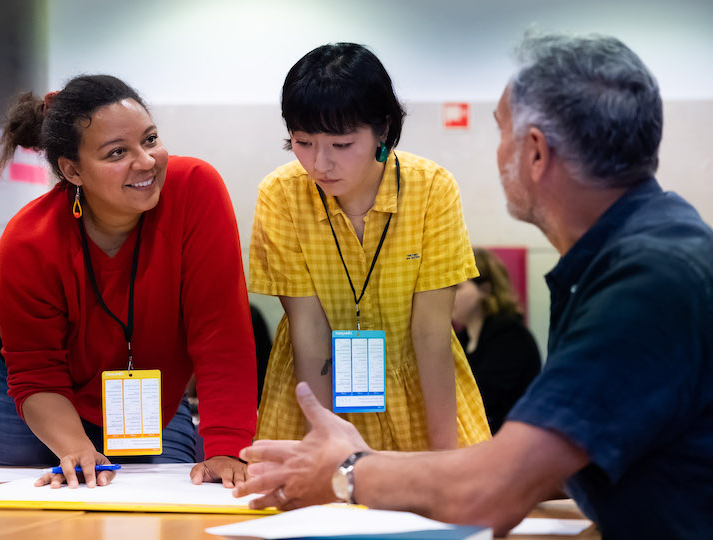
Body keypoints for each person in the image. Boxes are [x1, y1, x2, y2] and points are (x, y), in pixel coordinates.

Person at [234, 33, 713, 538]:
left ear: (534, 153)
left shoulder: (644, 282)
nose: (319, 161)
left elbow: (497, 486)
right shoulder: (648, 246)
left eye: (500, 130)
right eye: (304, 142)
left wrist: (346, 471)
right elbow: (567, 463)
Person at [0, 75, 257, 490]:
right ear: (72, 170)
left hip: (145, 384)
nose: (146, 161)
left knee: (166, 504)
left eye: (151, 139)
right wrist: (76, 447)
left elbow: (221, 333)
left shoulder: (196, 190)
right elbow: (37, 373)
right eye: (117, 152)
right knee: (39, 511)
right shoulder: (27, 243)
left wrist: (227, 446)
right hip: (34, 388)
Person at [248, 43, 490, 452]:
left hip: (421, 392)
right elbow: (309, 333)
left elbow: (431, 333)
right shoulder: (281, 195)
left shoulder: (431, 188)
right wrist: (324, 444)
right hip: (314, 395)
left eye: (341, 145)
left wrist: (445, 458)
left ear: (384, 128)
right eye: (303, 143)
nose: (320, 164)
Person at [452, 247, 540, 433]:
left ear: (484, 290)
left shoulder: (510, 336)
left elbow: (483, 399)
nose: (448, 297)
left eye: (457, 287)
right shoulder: (462, 339)